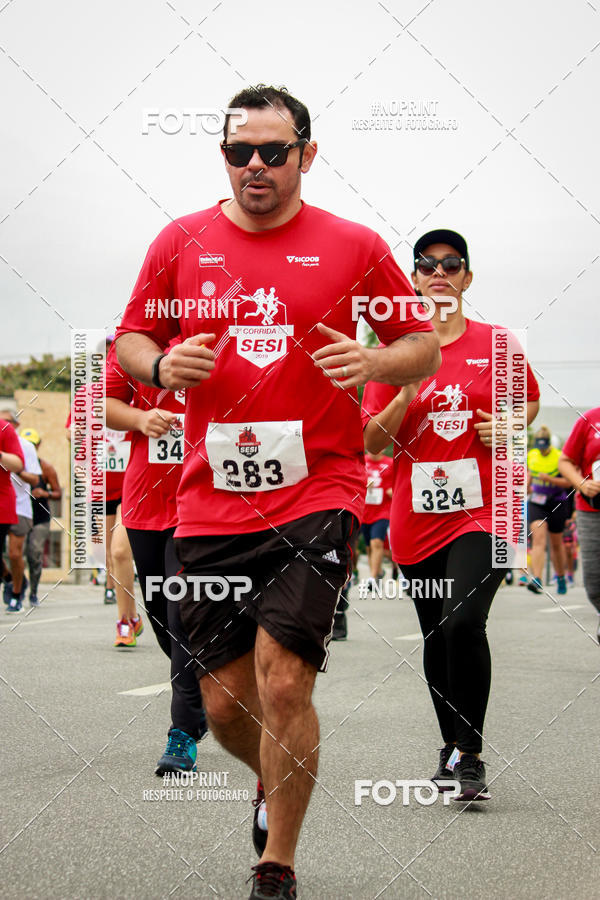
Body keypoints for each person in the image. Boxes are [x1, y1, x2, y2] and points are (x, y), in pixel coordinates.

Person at [115, 84, 440, 898]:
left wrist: (374, 363)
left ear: (307, 154)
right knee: (225, 706)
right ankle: (273, 772)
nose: (255, 166)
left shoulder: (354, 245)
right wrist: (158, 365)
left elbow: (421, 345)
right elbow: (130, 337)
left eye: (273, 151)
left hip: (316, 489)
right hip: (209, 501)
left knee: (285, 680)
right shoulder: (181, 241)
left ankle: (277, 864)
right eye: (239, 152)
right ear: (222, 155)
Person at [362, 228, 539, 802]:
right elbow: (373, 442)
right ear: (413, 279)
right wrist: (406, 390)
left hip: (484, 512)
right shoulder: (393, 351)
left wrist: (512, 425)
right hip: (415, 515)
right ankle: (450, 743)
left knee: (464, 621)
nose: (439, 272)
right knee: (437, 634)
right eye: (427, 264)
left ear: (467, 278)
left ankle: (471, 752)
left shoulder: (497, 344)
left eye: (451, 263)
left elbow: (529, 400)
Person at [105, 343, 207, 772]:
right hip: (146, 502)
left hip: (202, 502)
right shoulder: (132, 346)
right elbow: (104, 407)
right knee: (165, 620)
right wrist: (140, 418)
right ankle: (204, 693)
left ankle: (181, 733)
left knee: (183, 619)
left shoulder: (220, 334)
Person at [558, 407, 600, 641]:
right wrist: (583, 484)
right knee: (594, 582)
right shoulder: (590, 419)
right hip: (592, 510)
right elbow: (564, 462)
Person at [0, 411, 41, 613]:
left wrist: (12, 467)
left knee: (15, 554)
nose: (5, 424)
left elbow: (34, 480)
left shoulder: (26, 447)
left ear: (16, 424)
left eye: (8, 421)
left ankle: (16, 595)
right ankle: (10, 577)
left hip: (20, 505)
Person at [20, 428, 62, 607]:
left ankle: (33, 592)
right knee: (15, 554)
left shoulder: (46, 468)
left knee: (34, 554)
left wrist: (45, 493)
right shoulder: (16, 466)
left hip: (40, 519)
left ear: (38, 446)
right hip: (21, 515)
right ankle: (19, 584)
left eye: (32, 445)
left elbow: (58, 493)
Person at [526, 426, 570, 594]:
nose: (542, 450)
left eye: (545, 447)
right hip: (537, 502)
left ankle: (560, 576)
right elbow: (529, 474)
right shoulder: (532, 455)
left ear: (550, 444)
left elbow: (568, 482)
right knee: (538, 539)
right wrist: (527, 485)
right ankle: (537, 579)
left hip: (557, 502)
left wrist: (549, 479)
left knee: (556, 544)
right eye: (540, 447)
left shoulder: (559, 457)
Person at [360, 450, 394, 591]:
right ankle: (379, 572)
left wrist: (393, 491)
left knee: (377, 542)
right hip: (364, 510)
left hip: (383, 510)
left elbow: (399, 482)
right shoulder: (361, 461)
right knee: (369, 546)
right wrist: (363, 484)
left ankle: (373, 578)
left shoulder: (390, 463)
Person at [0, 417, 25, 589]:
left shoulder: (4, 428)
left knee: (14, 553)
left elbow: (18, 465)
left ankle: (14, 585)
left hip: (2, 503)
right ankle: (6, 574)